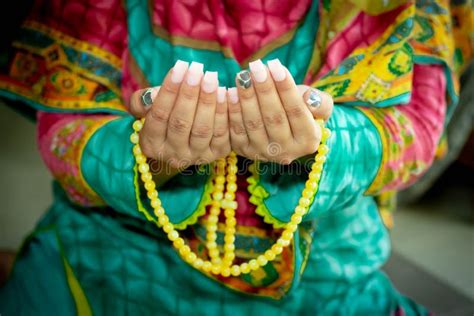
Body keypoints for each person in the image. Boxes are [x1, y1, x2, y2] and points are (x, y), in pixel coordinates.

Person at [0, 0, 471, 315]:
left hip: (323, 279)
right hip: (103, 264)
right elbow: (63, 128)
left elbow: (414, 132)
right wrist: (144, 158)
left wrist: (320, 151)